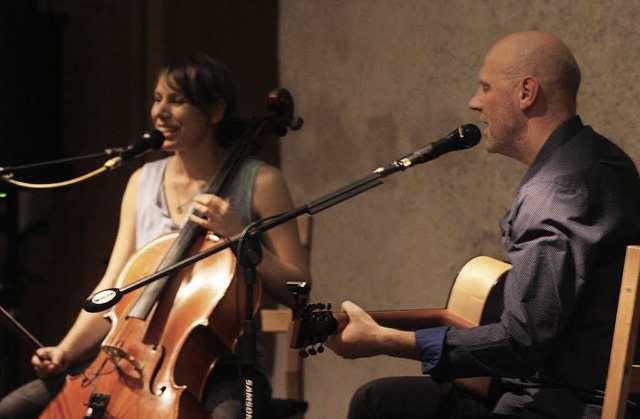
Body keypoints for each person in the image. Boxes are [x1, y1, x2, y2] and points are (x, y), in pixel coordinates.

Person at [326, 31, 640, 418]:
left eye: (485, 87)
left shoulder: (556, 194)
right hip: (565, 379)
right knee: (382, 401)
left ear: (526, 92)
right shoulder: (605, 159)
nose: (474, 103)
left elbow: (521, 341)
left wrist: (385, 340)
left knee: (378, 405)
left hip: (563, 403)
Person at [0, 53, 310, 418]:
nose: (159, 112)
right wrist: (65, 351)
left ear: (214, 112)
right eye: (157, 98)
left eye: (176, 101)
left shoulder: (260, 182)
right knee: (12, 410)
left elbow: (299, 289)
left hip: (226, 370)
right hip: (129, 357)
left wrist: (239, 237)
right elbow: (113, 285)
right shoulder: (141, 182)